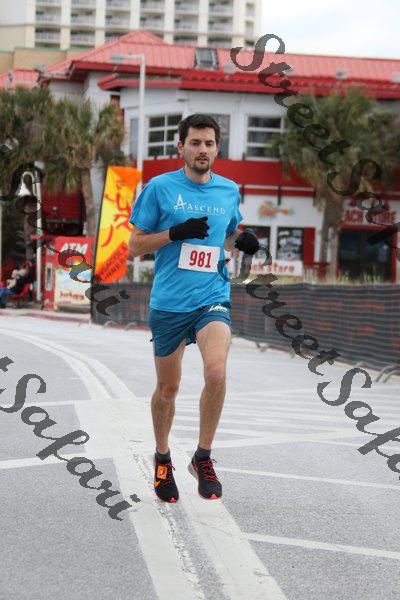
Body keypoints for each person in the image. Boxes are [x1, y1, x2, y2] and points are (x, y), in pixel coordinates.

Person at [128, 114, 259, 502]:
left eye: (209, 143)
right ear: (181, 146)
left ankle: (202, 457)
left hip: (211, 296)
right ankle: (162, 457)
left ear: (217, 148)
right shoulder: (159, 188)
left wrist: (243, 241)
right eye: (195, 143)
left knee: (216, 372)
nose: (203, 150)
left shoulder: (228, 190)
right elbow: (134, 246)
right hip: (169, 303)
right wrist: (175, 233)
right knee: (168, 389)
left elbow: (227, 236)